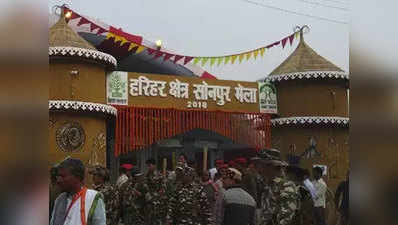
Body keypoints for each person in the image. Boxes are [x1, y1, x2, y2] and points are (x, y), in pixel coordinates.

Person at [50, 158, 106, 225]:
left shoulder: (93, 198)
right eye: (58, 176)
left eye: (63, 176)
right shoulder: (60, 199)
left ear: (77, 177)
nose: (58, 180)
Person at [256, 149, 300, 225]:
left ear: (271, 166)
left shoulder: (286, 187)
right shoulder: (268, 186)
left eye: (261, 164)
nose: (259, 168)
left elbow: (286, 219)